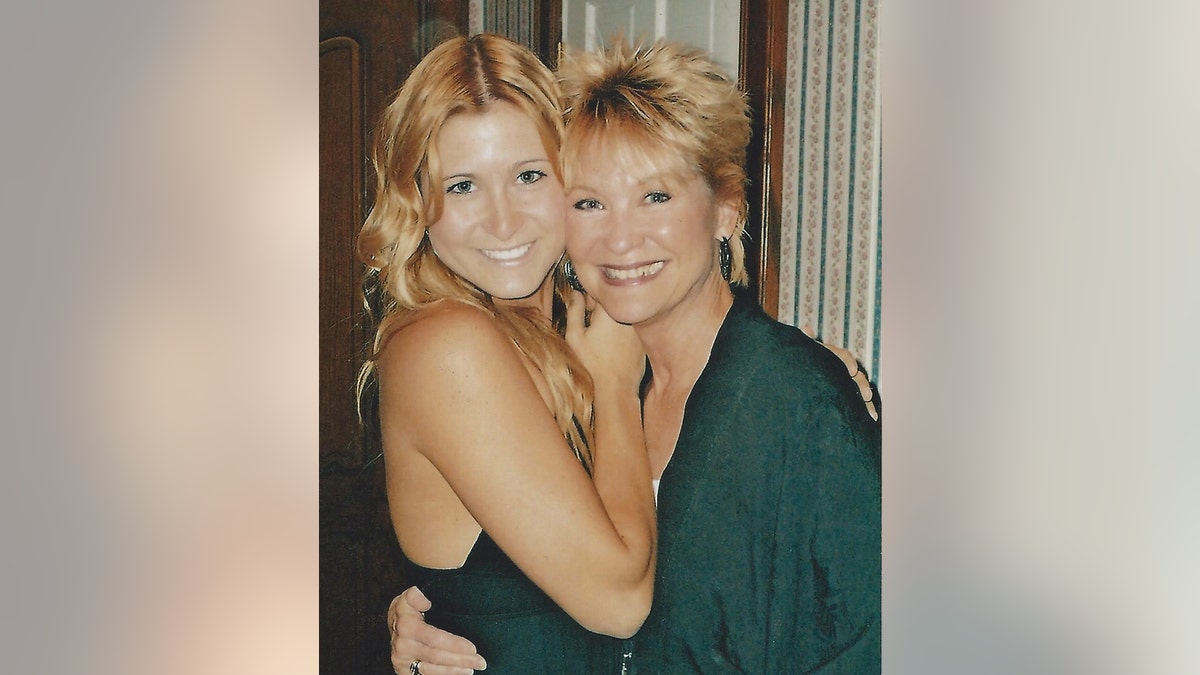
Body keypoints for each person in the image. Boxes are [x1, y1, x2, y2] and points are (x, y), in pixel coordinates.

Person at [390, 38, 881, 673]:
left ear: (728, 208)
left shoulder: (789, 398)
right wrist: (436, 606)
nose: (620, 237)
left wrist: (816, 394)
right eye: (591, 201)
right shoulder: (583, 364)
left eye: (655, 196)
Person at [357, 33, 658, 674]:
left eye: (528, 176)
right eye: (462, 186)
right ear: (419, 203)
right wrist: (612, 387)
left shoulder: (585, 328)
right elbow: (619, 600)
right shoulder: (446, 348)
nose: (503, 221)